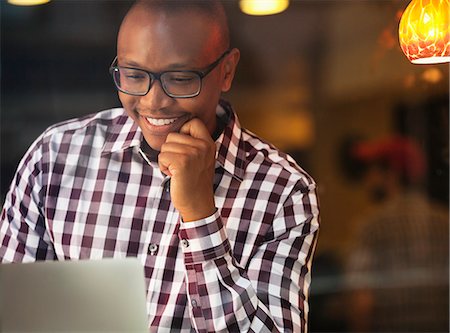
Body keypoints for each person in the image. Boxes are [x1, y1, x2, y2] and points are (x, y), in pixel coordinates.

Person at [0, 1, 320, 332]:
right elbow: (12, 315)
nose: (153, 101)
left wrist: (201, 216)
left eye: (180, 79)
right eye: (134, 76)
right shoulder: (54, 159)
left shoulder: (283, 193)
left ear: (227, 71)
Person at [345, 135, 449, 332]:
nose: (367, 179)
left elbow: (362, 303)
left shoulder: (371, 227)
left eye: (371, 169)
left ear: (390, 173)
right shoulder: (444, 222)